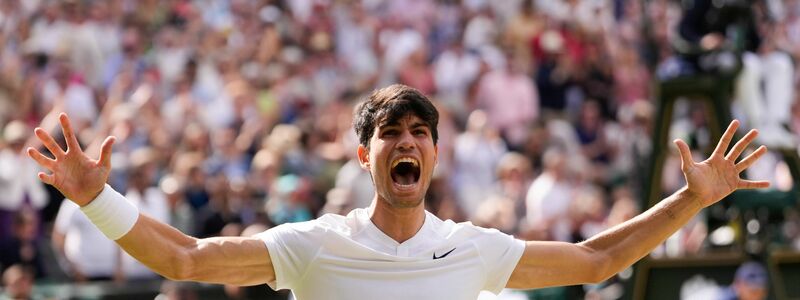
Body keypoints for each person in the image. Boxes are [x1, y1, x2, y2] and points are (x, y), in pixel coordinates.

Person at [26, 84, 769, 299]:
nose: (407, 142)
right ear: (363, 153)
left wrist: (693, 200)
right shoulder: (316, 246)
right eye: (391, 132)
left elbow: (595, 259)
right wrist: (94, 198)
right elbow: (186, 259)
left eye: (420, 131)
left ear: (436, 153)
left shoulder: (476, 250)